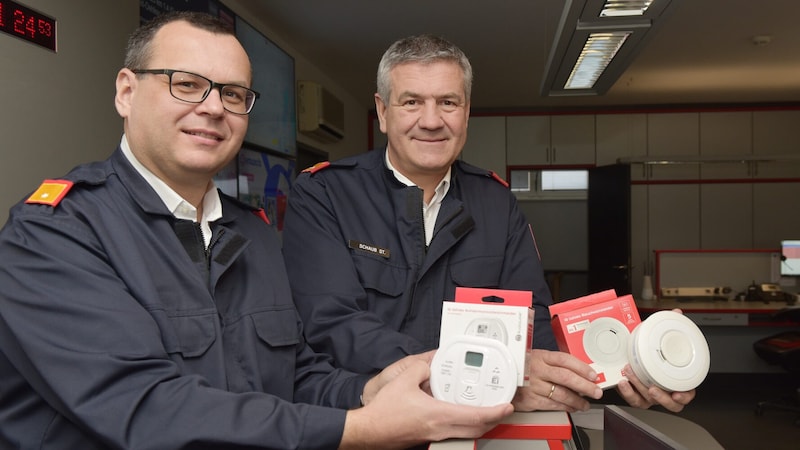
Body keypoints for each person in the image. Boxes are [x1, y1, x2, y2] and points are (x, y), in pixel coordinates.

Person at [0, 14, 514, 449]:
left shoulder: (252, 233)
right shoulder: (54, 232)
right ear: (127, 92)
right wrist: (356, 426)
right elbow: (143, 408)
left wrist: (370, 389)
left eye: (232, 93)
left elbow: (296, 375)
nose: (212, 107)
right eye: (185, 83)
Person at [281, 34, 696, 414]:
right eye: (411, 102)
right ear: (383, 111)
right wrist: (489, 368)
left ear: (466, 113)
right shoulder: (324, 194)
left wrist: (630, 358)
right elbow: (332, 322)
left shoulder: (496, 202)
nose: (430, 120)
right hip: (366, 422)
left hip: (478, 425)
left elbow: (534, 323)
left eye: (448, 102)